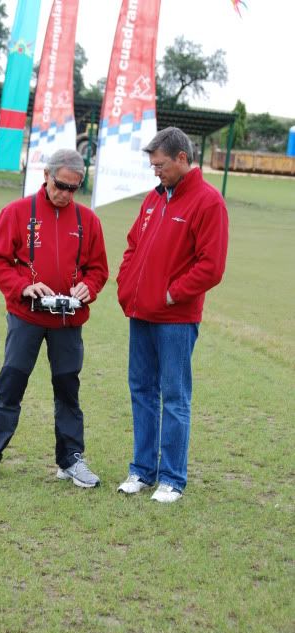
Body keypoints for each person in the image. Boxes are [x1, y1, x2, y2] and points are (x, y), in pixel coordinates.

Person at [0, 149, 108, 487]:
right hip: (25, 316)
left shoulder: (89, 221)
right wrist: (23, 287)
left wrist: (88, 287)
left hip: (67, 322)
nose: (66, 194)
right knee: (11, 383)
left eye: (74, 188)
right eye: (61, 185)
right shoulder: (16, 213)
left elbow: (99, 269)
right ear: (46, 175)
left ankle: (71, 459)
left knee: (67, 388)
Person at [116, 127, 228, 503]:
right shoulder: (153, 198)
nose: (155, 172)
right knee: (141, 392)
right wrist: (126, 284)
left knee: (174, 397)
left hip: (176, 320)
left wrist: (171, 294)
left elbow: (211, 266)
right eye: (152, 165)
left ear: (182, 158)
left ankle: (173, 478)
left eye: (160, 165)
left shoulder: (208, 202)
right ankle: (142, 471)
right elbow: (133, 246)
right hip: (140, 314)